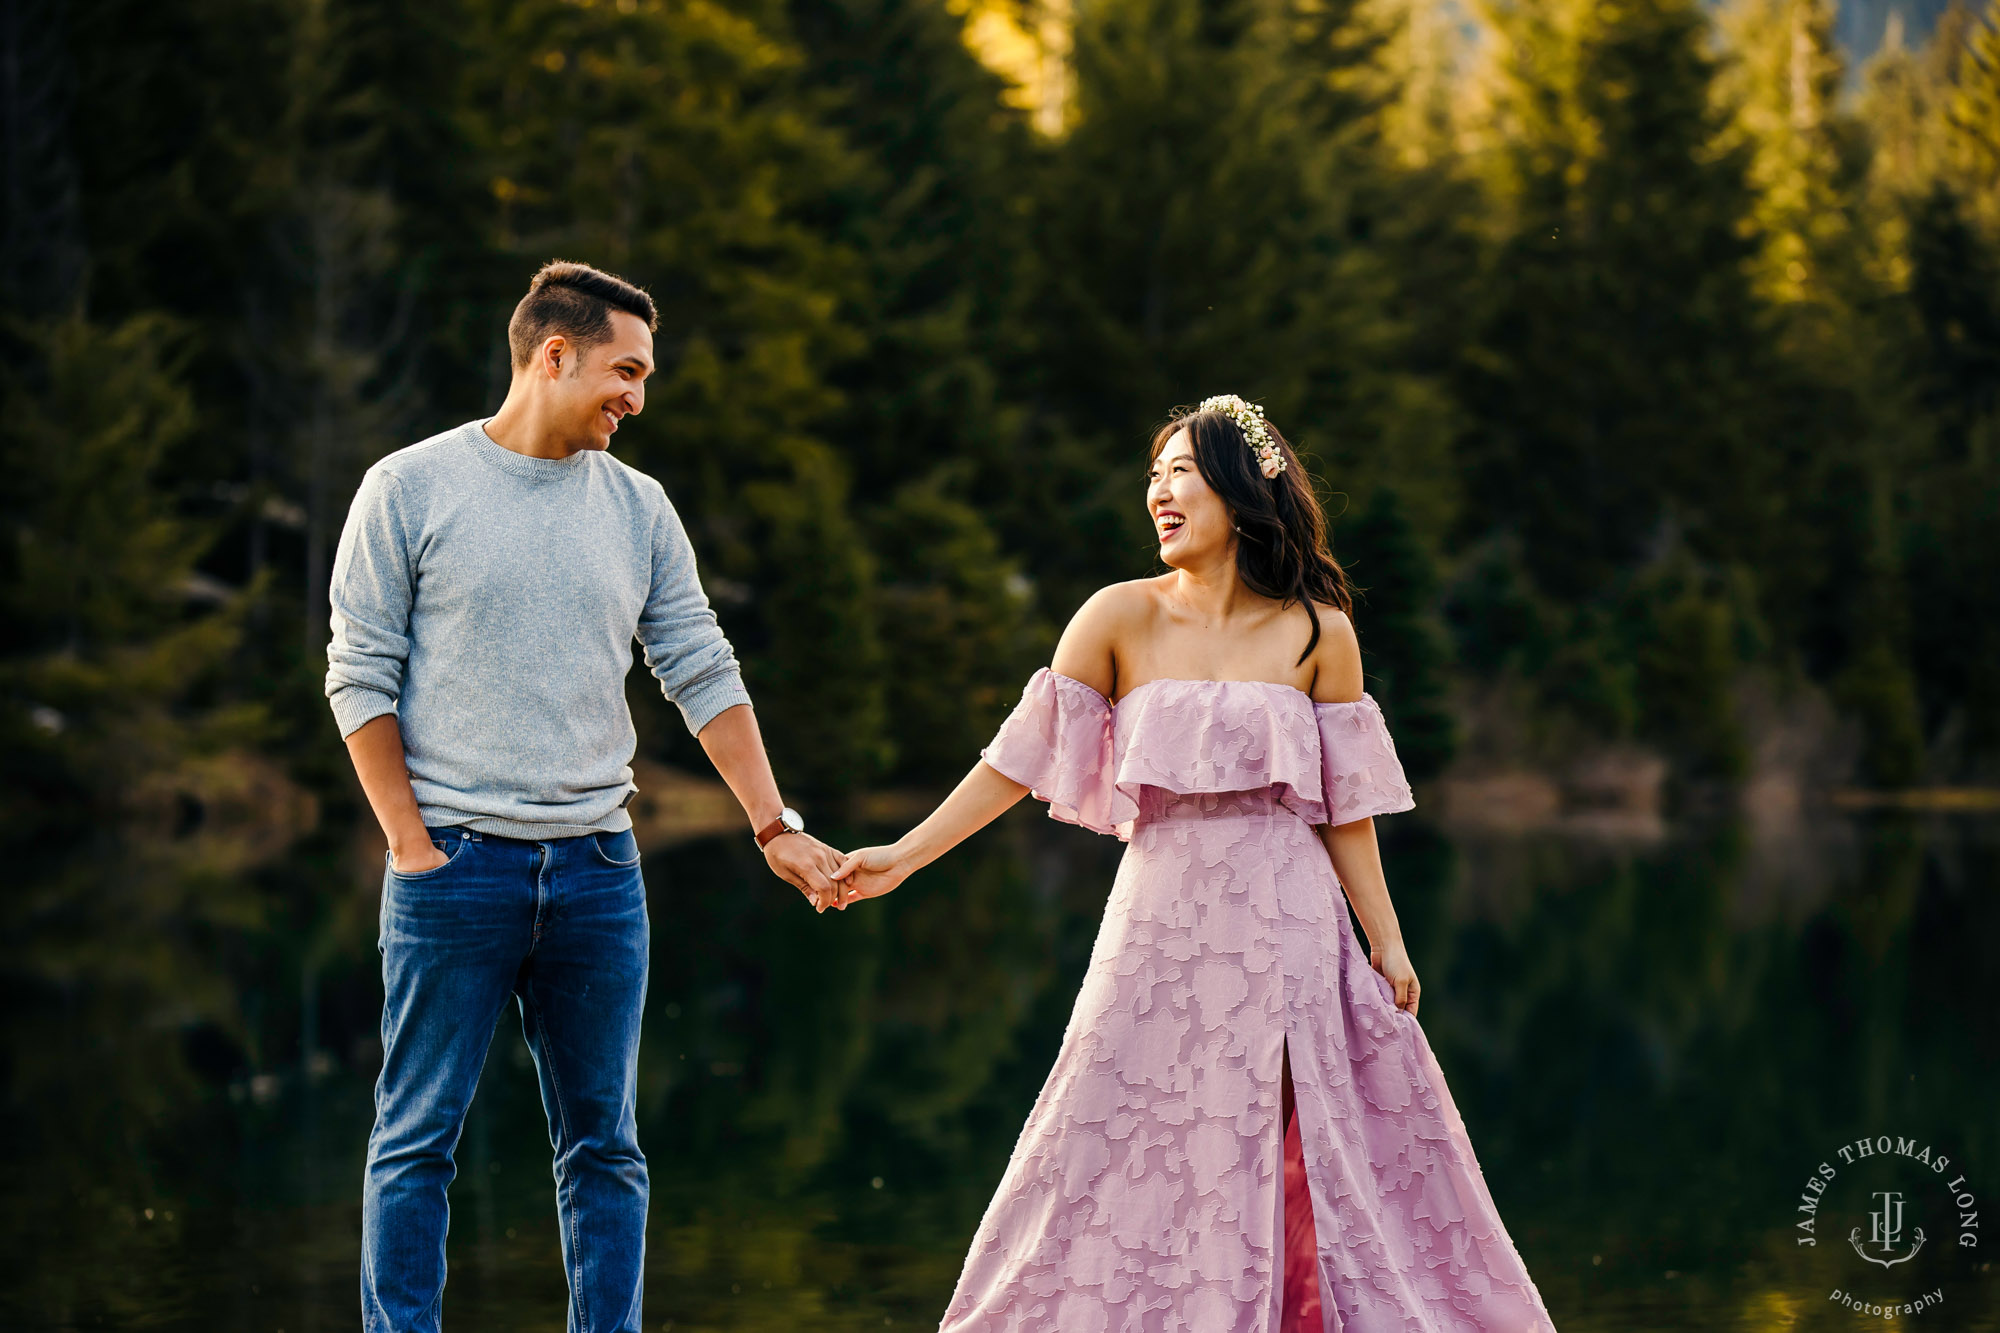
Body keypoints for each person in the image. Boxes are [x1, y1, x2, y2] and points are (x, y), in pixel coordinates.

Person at [831, 396, 1558, 1331]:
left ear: (1244, 488)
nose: (1159, 492)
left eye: (1181, 471)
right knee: (1103, 1125)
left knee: (1295, 1141)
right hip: (1158, 920)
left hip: (1288, 922)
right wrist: (903, 855)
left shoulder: (1318, 630)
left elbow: (1347, 809)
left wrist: (1389, 940)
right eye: (1155, 474)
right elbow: (1017, 760)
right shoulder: (1116, 617)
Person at [325, 260, 845, 1333]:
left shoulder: (639, 508)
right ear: (551, 354)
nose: (638, 398)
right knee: (417, 1134)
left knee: (604, 1145)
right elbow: (358, 673)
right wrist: (411, 845)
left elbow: (699, 665)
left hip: (599, 872)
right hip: (453, 869)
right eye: (626, 370)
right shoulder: (408, 487)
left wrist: (772, 824)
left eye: (645, 376)